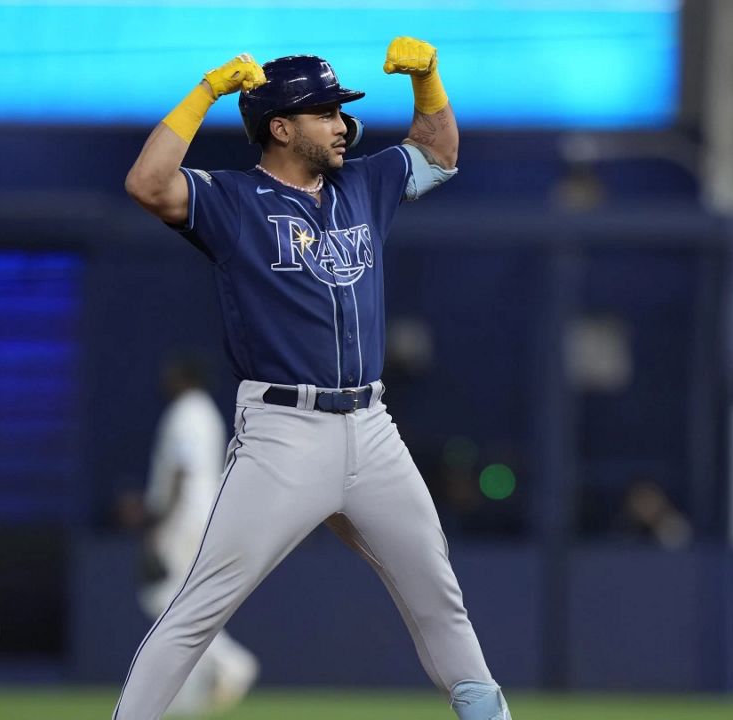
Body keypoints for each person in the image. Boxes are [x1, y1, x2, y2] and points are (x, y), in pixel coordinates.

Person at [114, 39, 511, 720]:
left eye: (338, 111)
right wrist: (205, 93)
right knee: (199, 606)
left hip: (372, 427)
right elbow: (148, 183)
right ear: (280, 127)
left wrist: (429, 79)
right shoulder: (235, 198)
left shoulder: (362, 181)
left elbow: (440, 153)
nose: (340, 123)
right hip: (283, 432)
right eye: (324, 111)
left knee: (438, 596)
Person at [115, 357, 259, 716]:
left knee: (165, 599)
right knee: (182, 601)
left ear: (186, 378)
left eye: (172, 374)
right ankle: (190, 691)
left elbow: (182, 469)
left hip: (184, 517)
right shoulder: (206, 412)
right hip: (202, 514)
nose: (166, 380)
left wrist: (159, 520)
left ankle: (231, 663)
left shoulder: (185, 412)